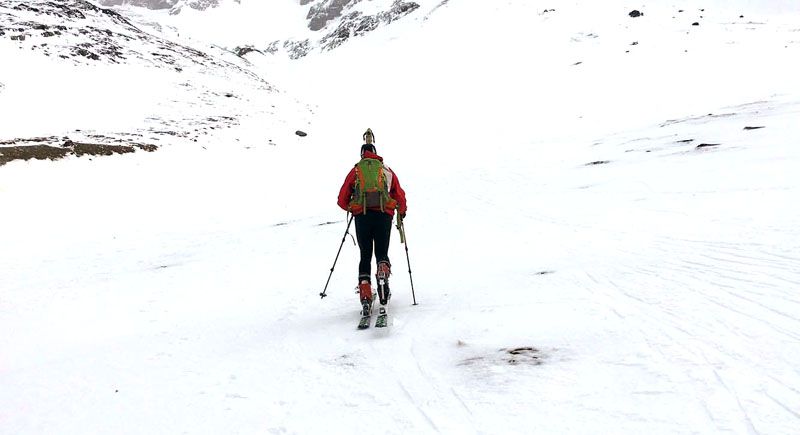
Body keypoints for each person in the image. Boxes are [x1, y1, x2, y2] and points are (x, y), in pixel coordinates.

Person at [337, 129, 407, 315]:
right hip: (384, 215)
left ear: (362, 154)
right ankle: (383, 273)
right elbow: (399, 194)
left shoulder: (356, 170)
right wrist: (402, 211)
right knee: (382, 252)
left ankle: (366, 294)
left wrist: (353, 207)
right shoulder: (386, 170)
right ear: (375, 152)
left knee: (365, 255)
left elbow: (341, 199)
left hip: (363, 217)